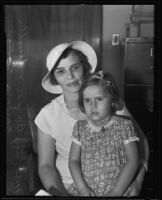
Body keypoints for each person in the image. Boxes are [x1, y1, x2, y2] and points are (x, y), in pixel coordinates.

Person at [34, 41, 149, 196]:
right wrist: (63, 195)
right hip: (70, 187)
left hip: (117, 184)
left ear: (85, 68)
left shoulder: (111, 103)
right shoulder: (48, 114)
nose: (70, 76)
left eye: (75, 67)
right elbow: (45, 166)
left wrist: (138, 181)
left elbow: (140, 141)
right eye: (61, 71)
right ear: (55, 78)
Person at [68, 71, 139, 196]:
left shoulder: (125, 126)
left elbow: (132, 160)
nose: (92, 105)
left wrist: (116, 192)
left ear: (112, 100)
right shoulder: (80, 127)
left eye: (99, 99)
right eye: (87, 100)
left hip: (118, 191)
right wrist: (82, 188)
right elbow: (73, 160)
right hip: (85, 192)